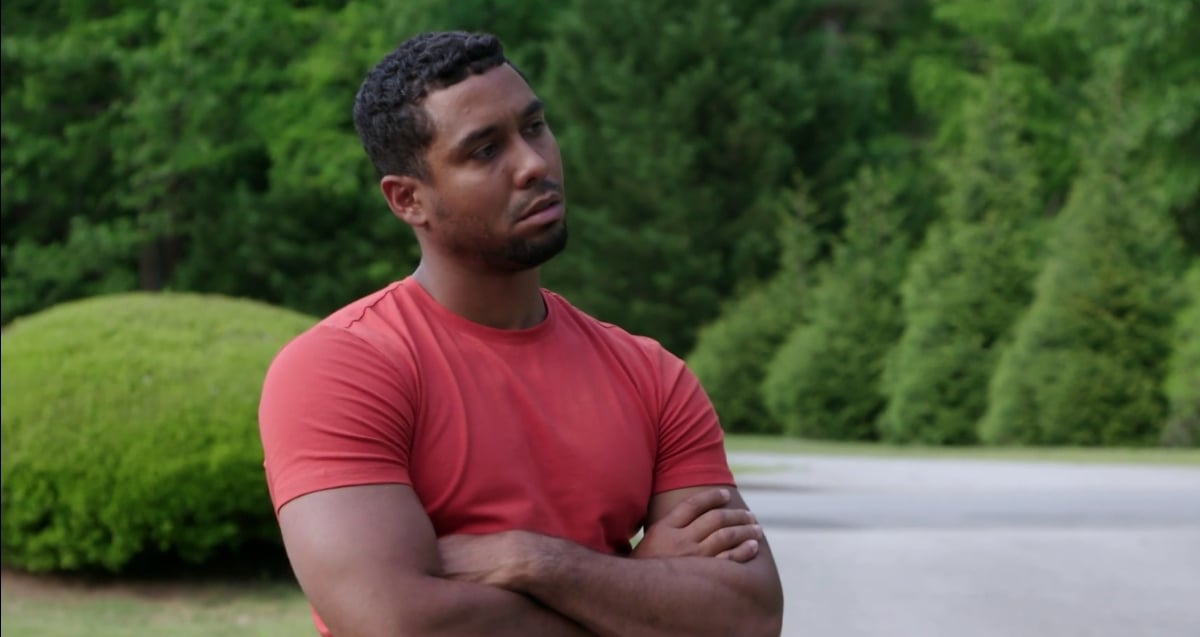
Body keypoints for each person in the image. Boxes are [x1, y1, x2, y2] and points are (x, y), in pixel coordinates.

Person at [257, 30, 784, 637]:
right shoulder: (342, 367)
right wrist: (642, 593)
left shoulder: (651, 375)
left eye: (534, 127)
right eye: (484, 150)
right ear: (408, 200)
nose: (534, 163)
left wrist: (534, 561)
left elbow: (748, 616)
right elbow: (396, 623)